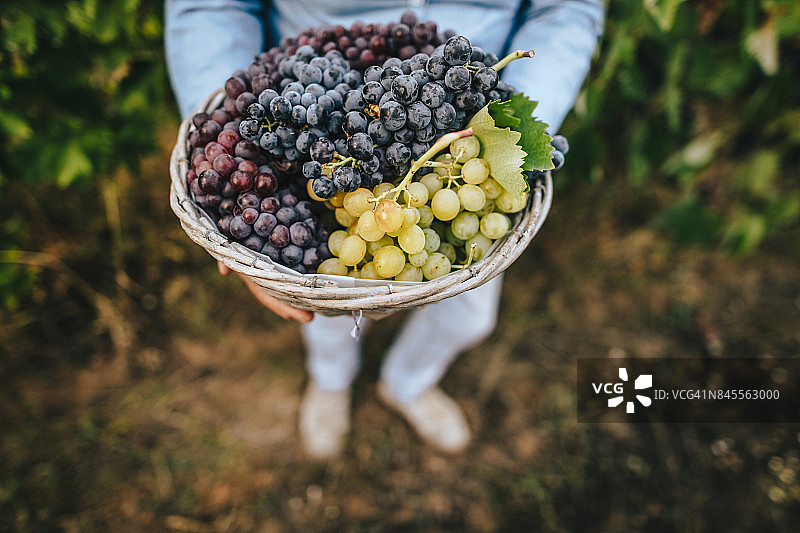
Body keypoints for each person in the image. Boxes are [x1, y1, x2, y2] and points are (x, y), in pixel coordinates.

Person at [165, 0, 604, 458]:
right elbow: (208, 7)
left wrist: (513, 127)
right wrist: (221, 132)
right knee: (324, 305)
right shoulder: (325, 131)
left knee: (470, 317)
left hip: (470, 110)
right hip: (311, 85)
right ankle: (331, 383)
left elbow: (567, 10)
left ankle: (407, 385)